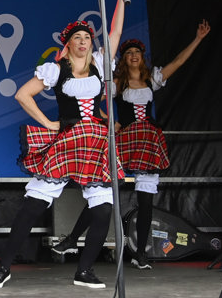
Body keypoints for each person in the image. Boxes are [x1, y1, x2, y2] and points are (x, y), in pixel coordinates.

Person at [0, 0, 125, 290]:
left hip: (95, 142)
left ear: (91, 43)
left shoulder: (101, 65)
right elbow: (23, 94)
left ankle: (84, 270)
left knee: (102, 210)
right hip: (68, 140)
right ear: (69, 43)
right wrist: (49, 124)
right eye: (76, 37)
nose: (82, 41)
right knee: (33, 206)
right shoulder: (56, 69)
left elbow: (115, 32)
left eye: (86, 37)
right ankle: (4, 267)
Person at [50, 19, 211, 270]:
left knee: (145, 201)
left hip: (147, 141)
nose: (133, 56)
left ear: (142, 56)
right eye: (128, 53)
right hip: (124, 140)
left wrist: (199, 39)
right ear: (123, 59)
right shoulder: (116, 84)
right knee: (104, 196)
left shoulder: (152, 79)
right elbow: (91, 100)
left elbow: (177, 63)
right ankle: (72, 238)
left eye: (137, 52)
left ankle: (141, 254)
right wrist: (107, 121)